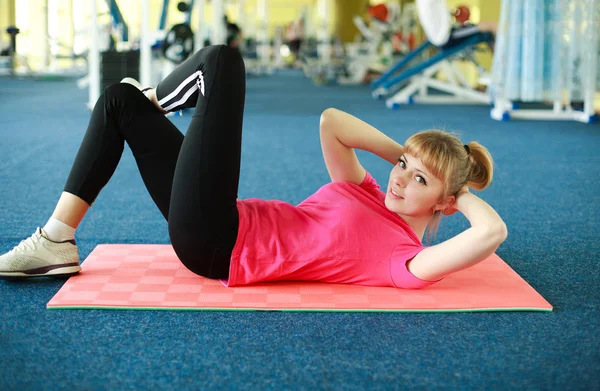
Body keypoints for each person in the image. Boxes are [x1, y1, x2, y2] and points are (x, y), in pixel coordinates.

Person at [0, 45, 507, 288]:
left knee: (222, 63)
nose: (399, 177)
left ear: (443, 202)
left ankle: (158, 97)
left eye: (418, 180)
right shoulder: (368, 190)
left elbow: (491, 232)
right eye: (401, 166)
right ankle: (56, 239)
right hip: (222, 217)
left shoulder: (403, 259)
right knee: (116, 102)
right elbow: (331, 122)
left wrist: (456, 190)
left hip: (219, 241)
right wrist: (411, 159)